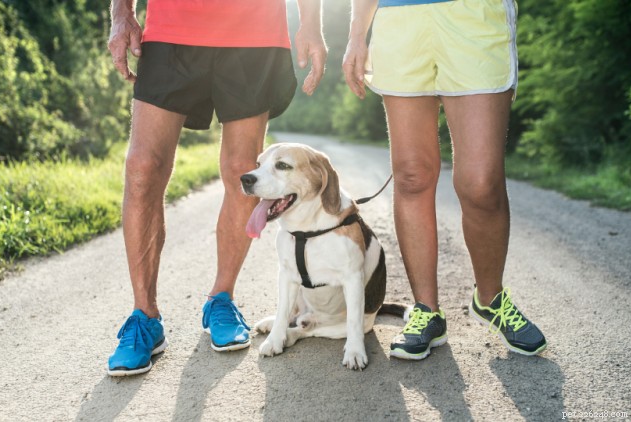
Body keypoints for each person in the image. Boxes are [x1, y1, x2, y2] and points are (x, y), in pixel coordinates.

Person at [106, 0, 327, 376]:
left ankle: (221, 298)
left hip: (252, 29)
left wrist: (311, 23)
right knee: (142, 168)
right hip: (170, 28)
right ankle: (144, 316)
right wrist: (121, 13)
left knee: (244, 171)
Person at [342, 0, 546, 360]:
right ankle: (426, 311)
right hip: (398, 18)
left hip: (473, 16)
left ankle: (490, 299)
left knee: (482, 183)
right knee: (411, 176)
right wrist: (357, 35)